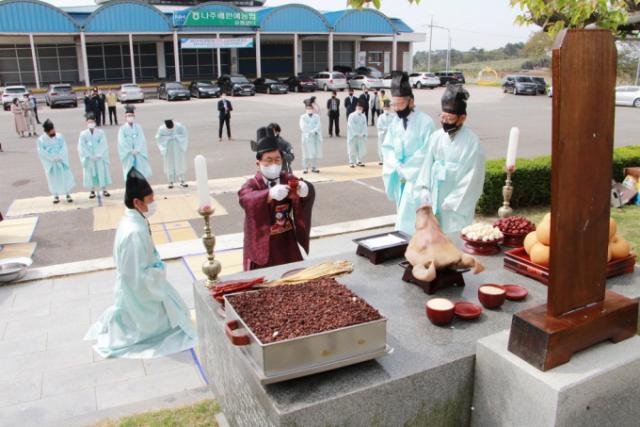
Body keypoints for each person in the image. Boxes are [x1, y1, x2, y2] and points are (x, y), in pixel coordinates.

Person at [85, 167, 198, 358]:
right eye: (150, 201)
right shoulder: (133, 232)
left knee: (178, 314)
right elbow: (134, 275)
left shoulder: (134, 220)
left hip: (147, 278)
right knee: (171, 324)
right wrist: (157, 272)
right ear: (137, 202)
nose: (153, 205)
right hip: (140, 289)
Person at [415, 84, 486, 234]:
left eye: (450, 118)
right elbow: (426, 164)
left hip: (456, 207)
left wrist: (453, 201)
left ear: (462, 118)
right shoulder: (436, 137)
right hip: (435, 200)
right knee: (433, 238)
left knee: (454, 239)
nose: (445, 122)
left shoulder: (472, 142)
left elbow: (473, 178)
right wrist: (424, 188)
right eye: (442, 117)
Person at [238, 134, 315, 271]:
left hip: (286, 239)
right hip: (262, 241)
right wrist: (268, 194)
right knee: (263, 278)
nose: (274, 164)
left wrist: (306, 190)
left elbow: (303, 189)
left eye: (277, 160)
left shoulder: (287, 178)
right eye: (269, 160)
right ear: (258, 163)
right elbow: (246, 199)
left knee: (293, 274)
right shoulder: (252, 184)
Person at [381, 71, 435, 236]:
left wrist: (407, 169)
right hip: (399, 175)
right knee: (401, 210)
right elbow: (388, 147)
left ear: (411, 101)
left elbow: (427, 151)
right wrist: (396, 165)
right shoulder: (395, 122)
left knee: (413, 216)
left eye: (400, 104)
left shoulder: (425, 122)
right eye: (394, 105)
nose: (397, 109)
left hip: (417, 177)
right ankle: (404, 242)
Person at [37, 119, 75, 204]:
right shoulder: (41, 140)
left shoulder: (59, 136)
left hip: (61, 161)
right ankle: (55, 195)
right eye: (51, 130)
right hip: (51, 163)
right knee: (53, 179)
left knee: (65, 177)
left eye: (53, 128)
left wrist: (59, 156)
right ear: (47, 131)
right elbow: (41, 152)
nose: (54, 131)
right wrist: (52, 158)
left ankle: (68, 194)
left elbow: (64, 148)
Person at [78, 113, 112, 199]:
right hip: (89, 158)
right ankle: (92, 190)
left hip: (99, 157)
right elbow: (81, 147)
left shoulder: (100, 132)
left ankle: (104, 189)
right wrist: (88, 156)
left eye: (92, 122)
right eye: (89, 122)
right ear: (86, 123)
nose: (91, 124)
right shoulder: (83, 134)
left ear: (95, 122)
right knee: (90, 173)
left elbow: (103, 144)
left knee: (101, 172)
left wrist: (99, 154)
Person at [118, 104, 152, 180]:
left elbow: (141, 139)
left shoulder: (138, 127)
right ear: (125, 117)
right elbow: (122, 142)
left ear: (134, 116)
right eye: (128, 116)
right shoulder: (122, 129)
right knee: (129, 172)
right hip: (128, 154)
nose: (130, 117)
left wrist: (138, 149)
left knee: (140, 171)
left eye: (131, 116)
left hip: (138, 153)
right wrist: (130, 150)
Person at [155, 119, 188, 189]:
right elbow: (158, 138)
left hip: (177, 146)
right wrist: (167, 138)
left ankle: (182, 180)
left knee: (180, 162)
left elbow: (184, 134)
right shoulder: (162, 129)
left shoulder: (179, 126)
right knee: (169, 164)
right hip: (168, 147)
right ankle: (170, 181)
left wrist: (177, 137)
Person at [299, 99, 322, 174]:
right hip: (306, 137)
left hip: (314, 137)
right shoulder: (303, 117)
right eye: (308, 108)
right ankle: (305, 168)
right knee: (305, 153)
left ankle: (314, 167)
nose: (309, 109)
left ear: (313, 109)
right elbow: (303, 126)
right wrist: (310, 131)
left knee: (314, 153)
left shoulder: (317, 117)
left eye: (311, 108)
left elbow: (318, 125)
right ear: (305, 109)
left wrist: (313, 131)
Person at [347, 98, 368, 167]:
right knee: (352, 148)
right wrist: (356, 133)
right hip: (353, 135)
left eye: (361, 108)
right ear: (356, 108)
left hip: (361, 135)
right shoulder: (351, 115)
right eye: (358, 108)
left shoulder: (363, 116)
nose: (359, 109)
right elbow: (351, 125)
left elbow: (365, 125)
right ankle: (351, 161)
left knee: (359, 148)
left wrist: (363, 133)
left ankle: (358, 160)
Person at [376, 99, 395, 165]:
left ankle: (390, 159)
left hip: (391, 134)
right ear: (383, 108)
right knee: (382, 146)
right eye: (385, 108)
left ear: (390, 108)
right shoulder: (380, 117)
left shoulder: (394, 116)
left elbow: (395, 124)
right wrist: (385, 129)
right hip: (383, 134)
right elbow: (379, 126)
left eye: (387, 108)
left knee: (391, 147)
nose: (386, 109)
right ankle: (382, 160)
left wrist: (390, 129)